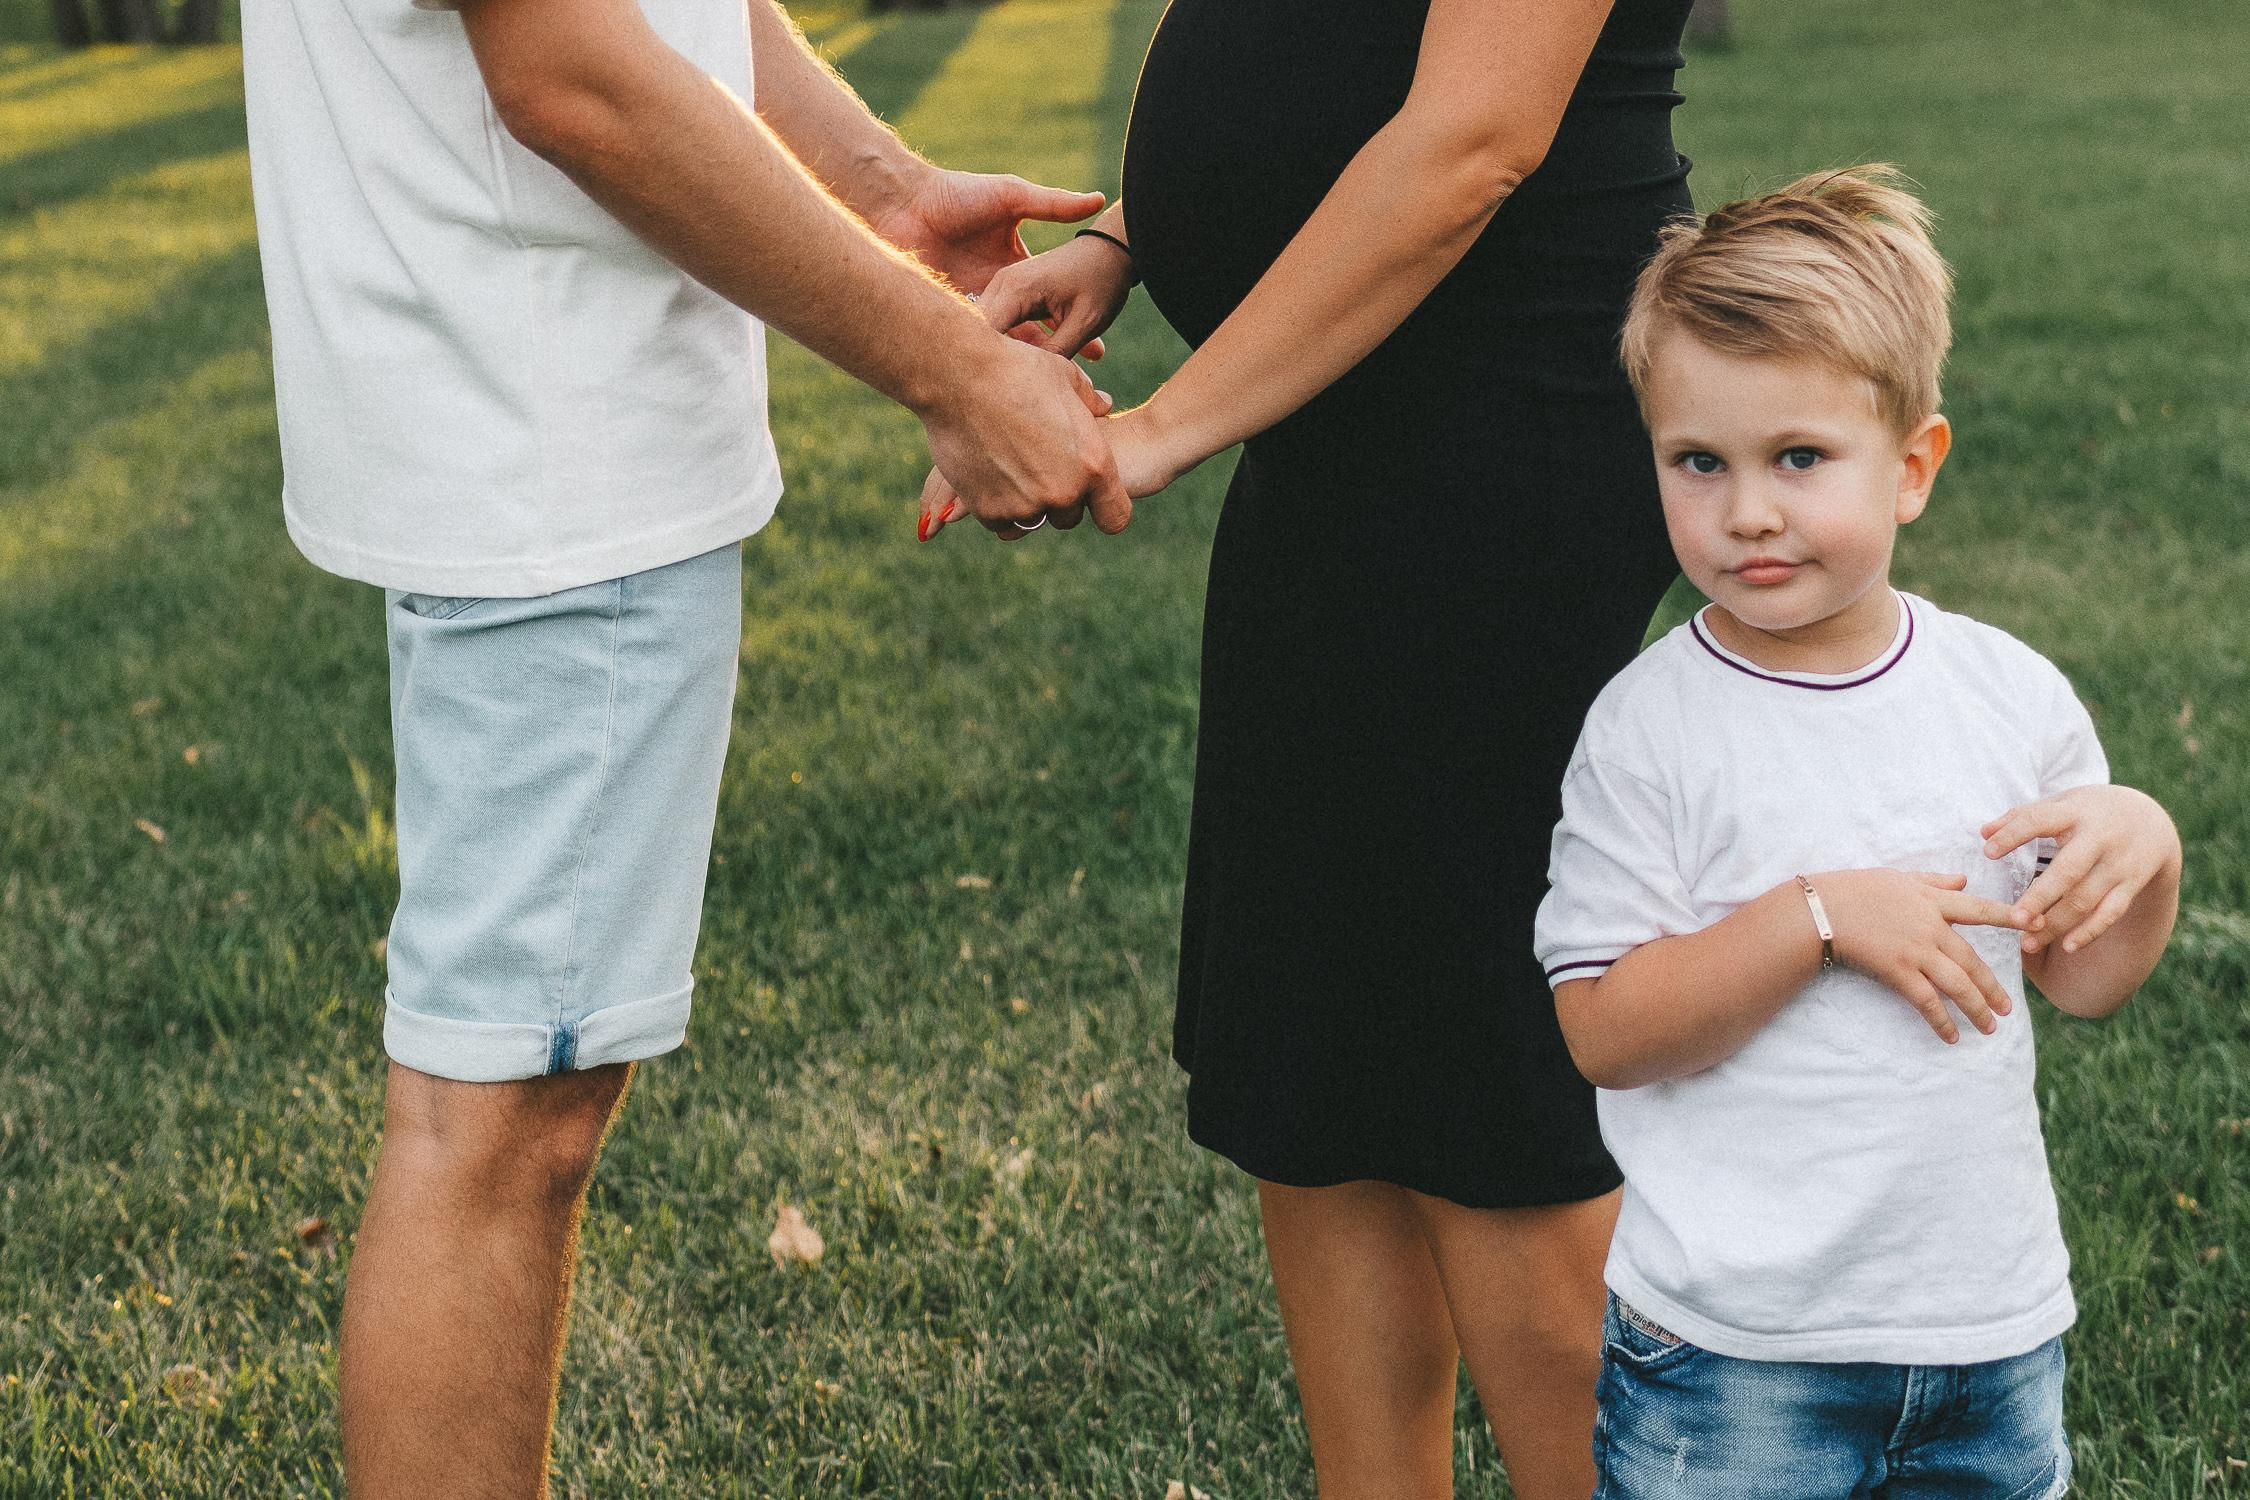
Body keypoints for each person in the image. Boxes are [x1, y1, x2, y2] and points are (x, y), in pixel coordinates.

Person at [238, 0, 1130, 1488]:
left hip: (523, 420)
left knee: (513, 1108)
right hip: (544, 448)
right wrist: (953, 371)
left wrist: (877, 182)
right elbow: (573, 76)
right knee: (500, 1127)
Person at [922, 1, 1695, 1493]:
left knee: (1484, 1078)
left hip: (1494, 437)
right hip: (1334, 430)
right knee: (1318, 1060)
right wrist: (1141, 232)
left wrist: (1151, 431)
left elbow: (1472, 138)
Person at [1533, 166, 2182, 1498]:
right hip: (1733, 1353)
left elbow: (2083, 979)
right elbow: (1601, 1028)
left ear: (1913, 467)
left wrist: (2147, 853)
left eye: (1799, 459)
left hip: (1985, 1331)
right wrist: (1815, 920)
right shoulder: (1650, 727)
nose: (1748, 511)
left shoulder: (2006, 699)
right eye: (1696, 462)